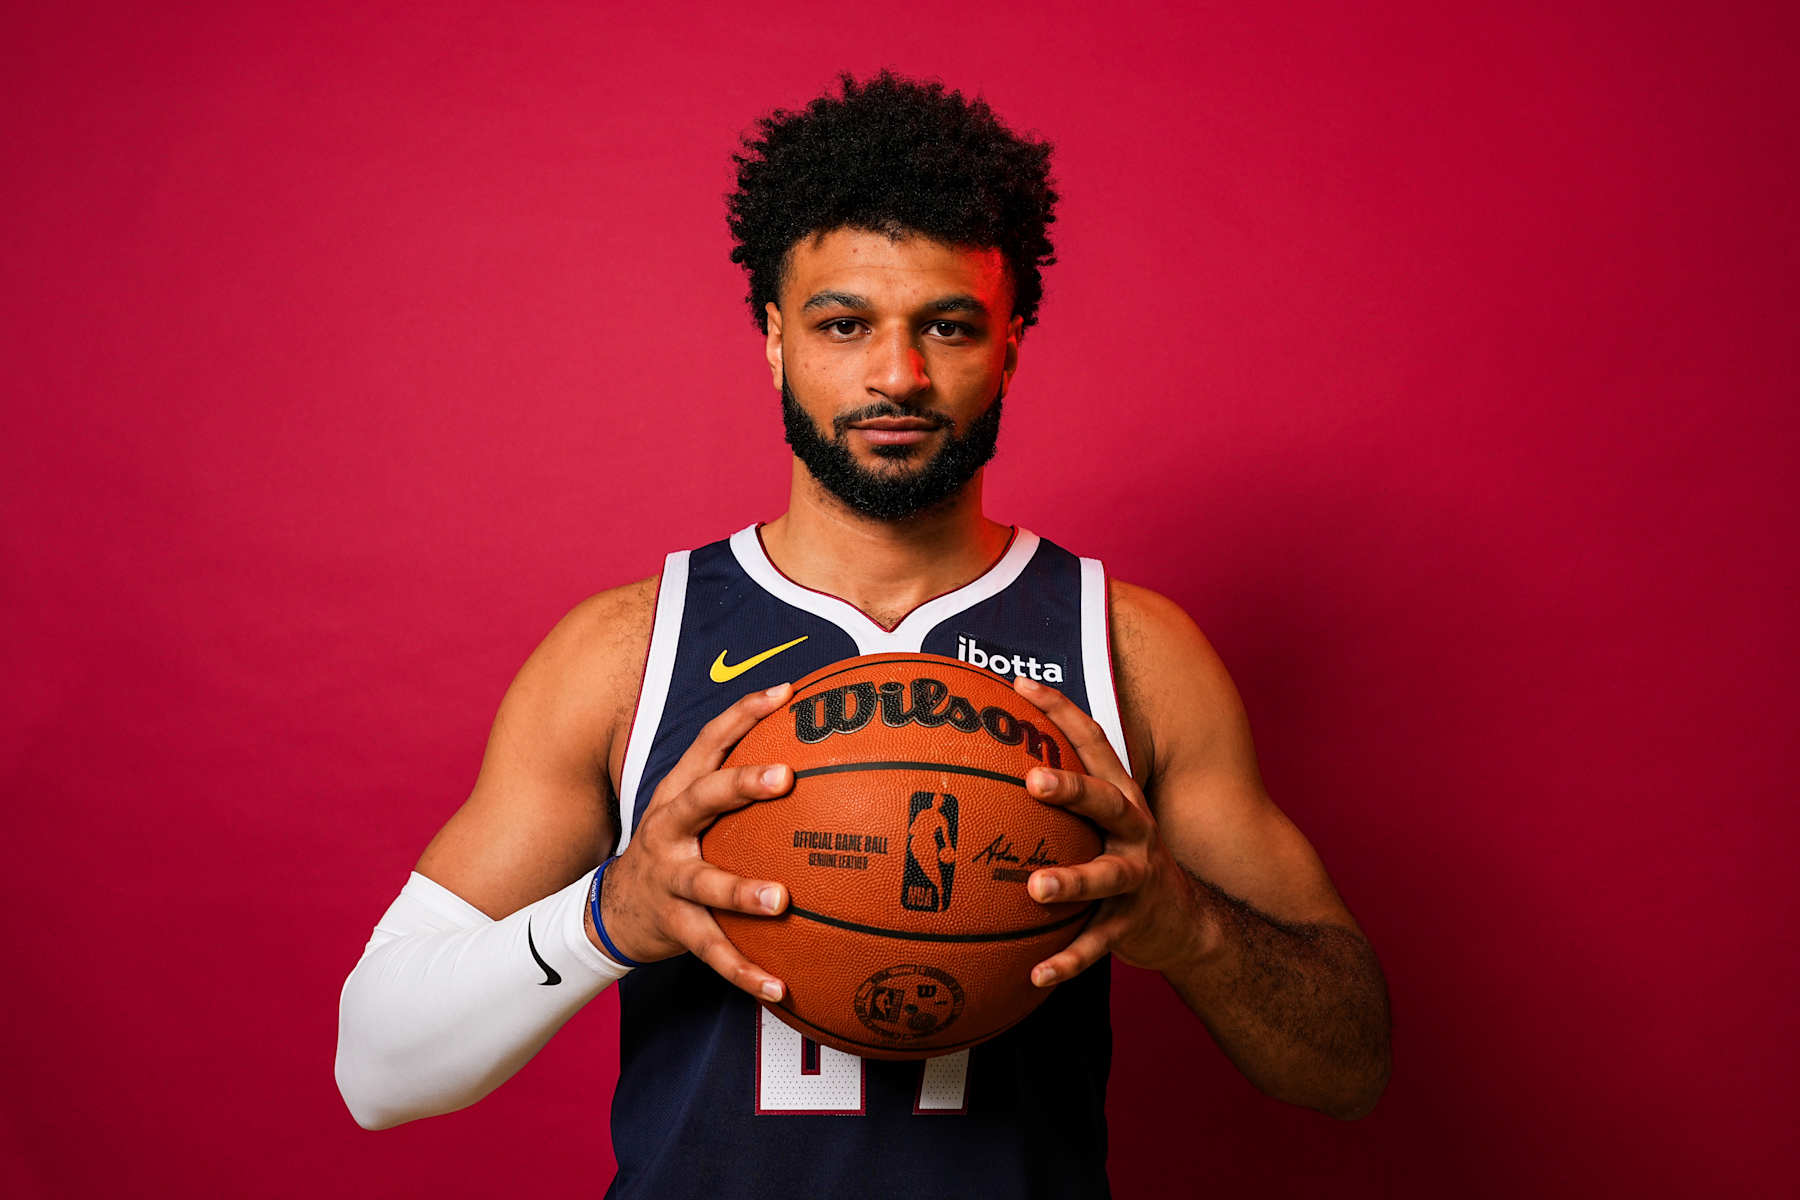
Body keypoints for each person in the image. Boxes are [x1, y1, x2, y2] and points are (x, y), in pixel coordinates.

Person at [335, 71, 1390, 1198]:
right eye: (845, 325)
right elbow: (376, 1070)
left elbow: (1348, 1064)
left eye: (948, 325)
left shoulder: (1130, 649)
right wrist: (614, 912)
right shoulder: (625, 653)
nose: (898, 374)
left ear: (1013, 343)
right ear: (775, 339)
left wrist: (1184, 924)